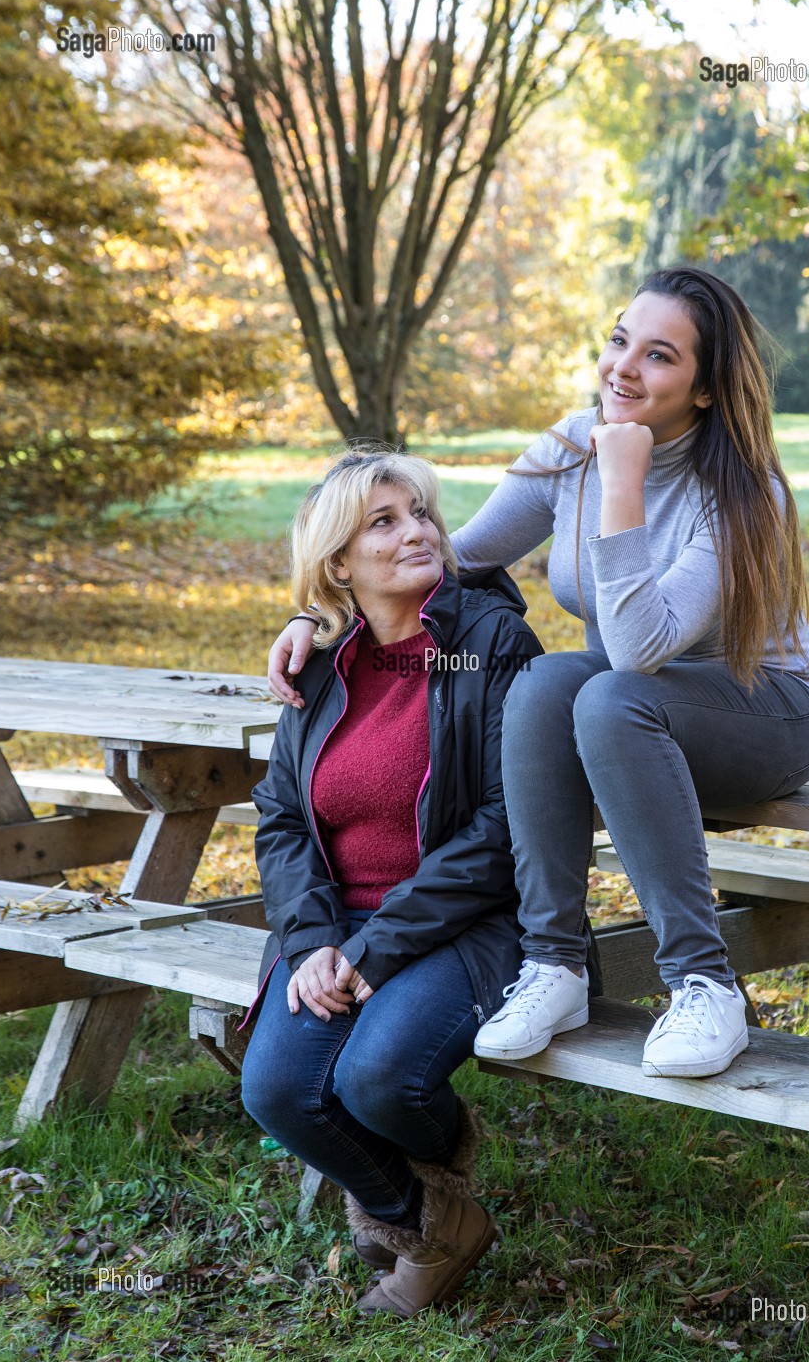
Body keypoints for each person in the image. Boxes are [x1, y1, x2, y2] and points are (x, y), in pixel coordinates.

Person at [267, 267, 809, 1083]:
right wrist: (316, 615)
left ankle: (702, 983)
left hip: (764, 714)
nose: (622, 369)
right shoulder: (572, 445)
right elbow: (447, 558)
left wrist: (625, 481)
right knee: (543, 683)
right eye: (617, 341)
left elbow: (642, 647)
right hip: (633, 709)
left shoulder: (747, 493)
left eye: (658, 357)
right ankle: (554, 966)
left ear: (705, 389)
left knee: (606, 691)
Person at [239, 449, 543, 1317]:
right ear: (338, 562)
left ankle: (417, 1238)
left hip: (467, 922)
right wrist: (310, 942)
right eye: (383, 521)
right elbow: (284, 818)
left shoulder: (485, 644)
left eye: (420, 513)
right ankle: (430, 1222)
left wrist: (376, 945)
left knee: (377, 1080)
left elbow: (502, 823)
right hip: (339, 922)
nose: (417, 531)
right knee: (276, 1092)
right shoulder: (323, 667)